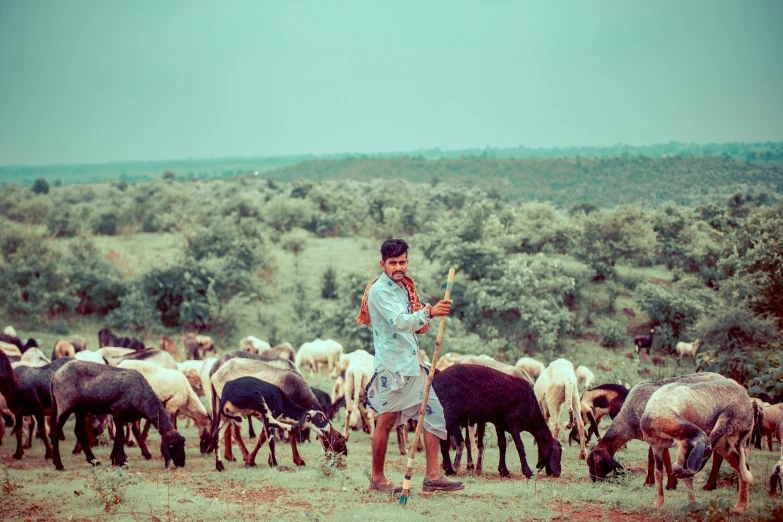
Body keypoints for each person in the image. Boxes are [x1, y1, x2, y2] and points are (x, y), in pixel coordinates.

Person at [357, 238, 464, 494]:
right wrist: (430, 312)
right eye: (392, 263)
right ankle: (378, 479)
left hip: (412, 364)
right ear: (382, 263)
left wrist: (428, 315)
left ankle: (433, 476)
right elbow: (400, 322)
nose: (398, 267)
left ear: (407, 262)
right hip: (392, 368)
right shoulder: (380, 291)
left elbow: (412, 325)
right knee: (386, 421)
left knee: (433, 413)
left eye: (402, 262)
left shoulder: (404, 287)